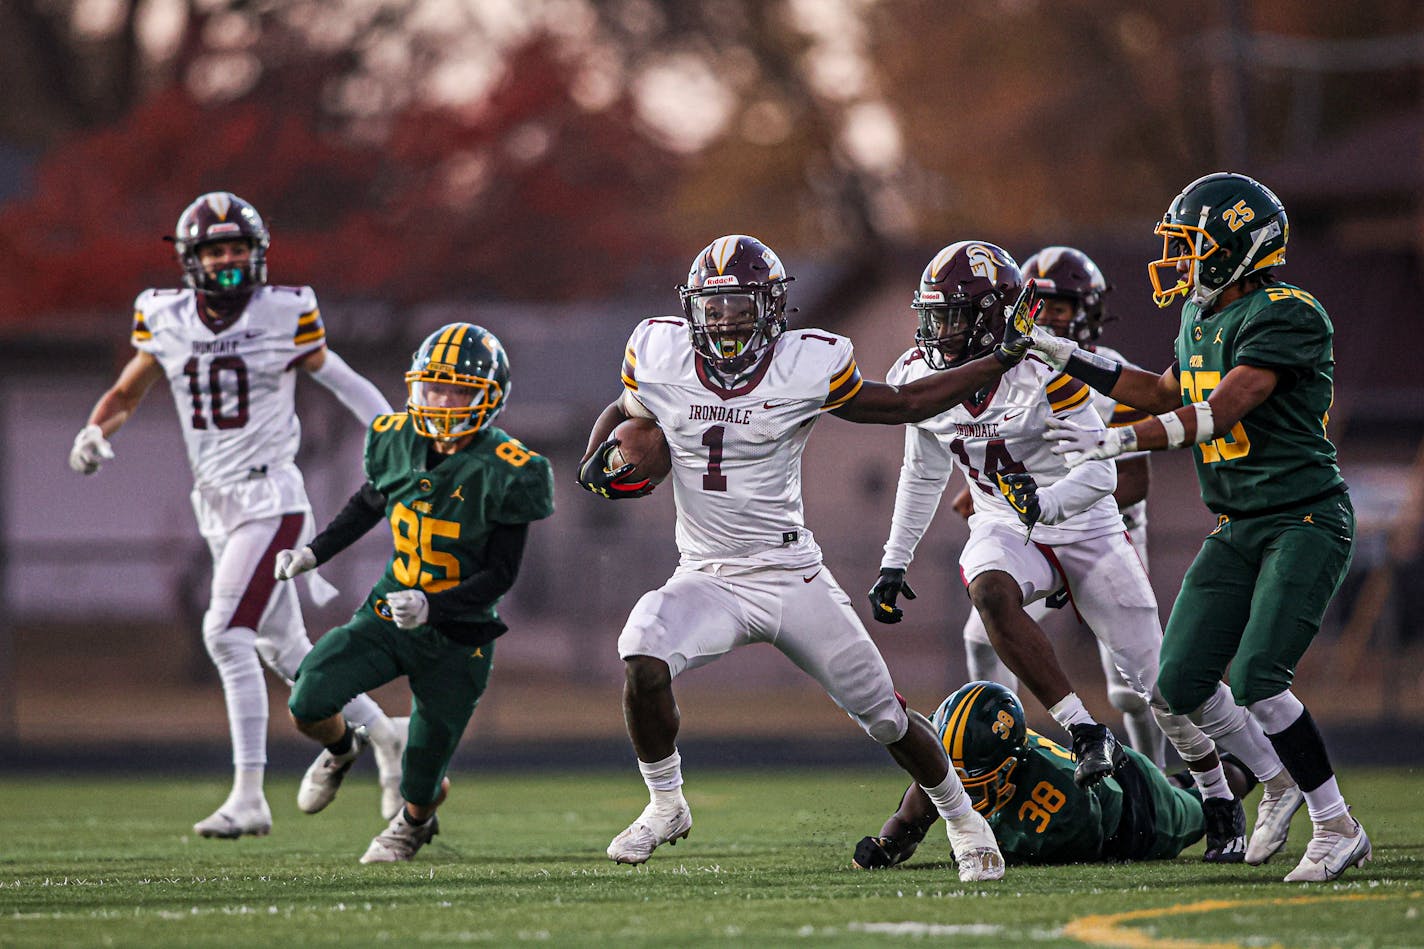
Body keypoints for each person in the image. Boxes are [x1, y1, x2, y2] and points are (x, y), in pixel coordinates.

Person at [575, 234, 1039, 882]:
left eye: (741, 307)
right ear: (692, 312)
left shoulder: (806, 364)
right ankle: (666, 802)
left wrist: (993, 364)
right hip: (706, 574)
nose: (727, 321)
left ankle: (964, 819)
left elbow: (903, 404)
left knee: (885, 715)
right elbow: (626, 410)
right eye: (715, 308)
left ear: (772, 311)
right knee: (642, 648)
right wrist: (594, 460)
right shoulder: (658, 353)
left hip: (792, 576)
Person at [865, 240, 1299, 864]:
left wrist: (1044, 506)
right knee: (988, 593)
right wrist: (894, 558)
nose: (939, 330)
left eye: (955, 316)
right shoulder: (917, 372)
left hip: (1088, 525)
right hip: (1006, 524)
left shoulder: (1049, 366)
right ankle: (1076, 727)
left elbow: (1105, 475)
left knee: (1164, 686)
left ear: (991, 315)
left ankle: (1231, 789)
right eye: (934, 315)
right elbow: (922, 470)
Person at [1030, 172, 1367, 882]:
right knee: (1174, 685)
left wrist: (1120, 442)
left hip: (1302, 518)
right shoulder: (1200, 316)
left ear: (1238, 248)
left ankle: (1337, 824)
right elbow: (1159, 391)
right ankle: (1276, 785)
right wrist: (1062, 353)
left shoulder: (1288, 312)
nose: (1180, 260)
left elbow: (1218, 411)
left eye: (1192, 245)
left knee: (1258, 678)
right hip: (1238, 523)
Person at [68, 191, 406, 839]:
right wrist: (94, 429)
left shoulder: (283, 312)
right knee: (287, 650)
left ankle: (249, 794)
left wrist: (392, 433)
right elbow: (129, 388)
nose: (229, 260)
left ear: (258, 254)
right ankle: (384, 732)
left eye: (239, 248)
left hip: (271, 498)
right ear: (191, 259)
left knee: (225, 632)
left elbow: (336, 375)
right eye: (216, 249)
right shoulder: (163, 317)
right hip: (217, 504)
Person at [276, 322, 554, 863]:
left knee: (423, 774)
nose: (442, 401)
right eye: (433, 388)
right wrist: (315, 552)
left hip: (458, 631)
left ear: (489, 398)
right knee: (308, 697)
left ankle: (414, 823)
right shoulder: (395, 437)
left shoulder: (513, 469)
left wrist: (434, 606)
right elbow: (368, 503)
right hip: (390, 609)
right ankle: (342, 748)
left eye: (458, 390)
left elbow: (501, 574)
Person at [953, 247, 1166, 768]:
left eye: (1062, 306)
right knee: (980, 636)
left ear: (1088, 311)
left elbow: (1132, 481)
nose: (1047, 316)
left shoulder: (1115, 377)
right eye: (1039, 303)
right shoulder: (1011, 369)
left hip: (1102, 532)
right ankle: (993, 747)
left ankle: (1157, 776)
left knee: (1130, 689)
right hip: (1032, 534)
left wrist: (1056, 515)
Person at [853, 681, 1250, 868]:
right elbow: (909, 822)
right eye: (956, 776)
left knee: (1198, 805)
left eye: (975, 779)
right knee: (1179, 785)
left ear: (1011, 764)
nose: (965, 791)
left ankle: (1259, 765)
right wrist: (886, 847)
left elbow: (1079, 850)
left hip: (1133, 814)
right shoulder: (964, 761)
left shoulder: (1060, 793)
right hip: (1102, 790)